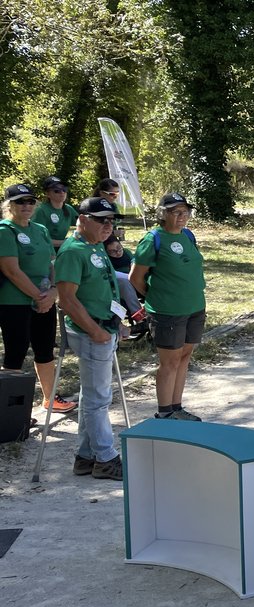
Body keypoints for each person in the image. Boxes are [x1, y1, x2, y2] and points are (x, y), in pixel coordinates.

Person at [56, 196, 123, 480]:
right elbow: (67, 299)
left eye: (111, 221)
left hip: (103, 328)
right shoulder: (73, 251)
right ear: (82, 219)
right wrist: (96, 331)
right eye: (101, 220)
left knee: (91, 397)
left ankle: (85, 457)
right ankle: (106, 458)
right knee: (98, 400)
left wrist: (116, 320)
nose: (108, 226)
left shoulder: (94, 245)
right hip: (91, 332)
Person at [129, 192, 207, 421]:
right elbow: (136, 278)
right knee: (169, 361)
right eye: (176, 212)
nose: (182, 216)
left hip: (194, 307)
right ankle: (164, 412)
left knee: (184, 357)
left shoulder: (188, 236)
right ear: (163, 214)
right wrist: (156, 297)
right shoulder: (153, 239)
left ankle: (176, 407)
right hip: (167, 311)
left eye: (185, 212)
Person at [0, 184, 76, 414]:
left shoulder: (40, 229)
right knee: (16, 352)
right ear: (8, 205)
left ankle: (51, 398)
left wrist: (53, 291)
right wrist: (39, 296)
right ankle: (10, 410)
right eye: (20, 202)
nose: (26, 206)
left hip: (44, 300)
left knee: (45, 350)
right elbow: (11, 271)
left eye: (30, 201)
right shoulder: (4, 230)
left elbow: (51, 262)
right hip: (14, 302)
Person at [31, 176, 76, 250]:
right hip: (48, 252)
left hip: (66, 250)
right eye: (56, 190)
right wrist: (63, 243)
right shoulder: (41, 210)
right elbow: (38, 237)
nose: (62, 192)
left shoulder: (69, 209)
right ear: (47, 194)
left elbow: (76, 225)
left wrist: (68, 238)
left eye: (64, 189)